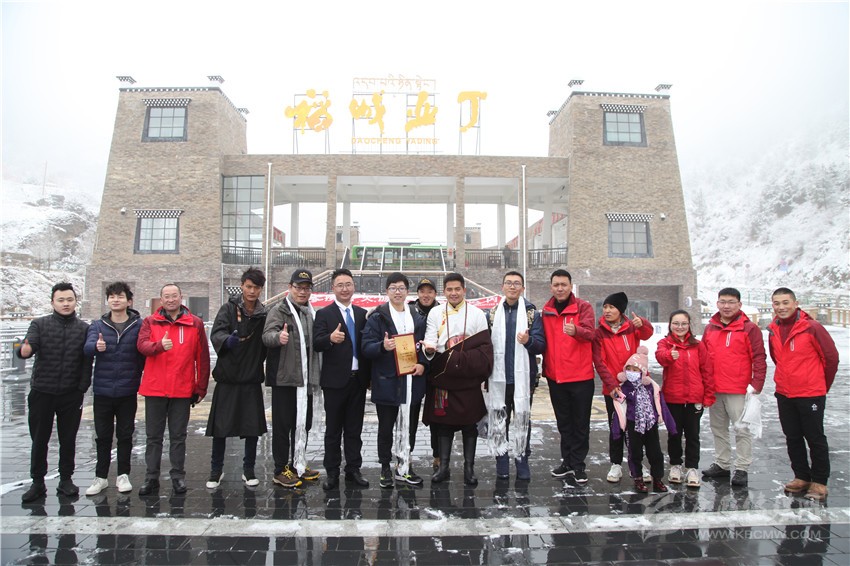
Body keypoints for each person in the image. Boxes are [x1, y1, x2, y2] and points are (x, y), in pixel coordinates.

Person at [17, 282, 93, 502]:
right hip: (42, 391)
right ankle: (37, 482)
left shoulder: (84, 328)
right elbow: (28, 347)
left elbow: (87, 362)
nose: (65, 304)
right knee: (39, 439)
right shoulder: (39, 324)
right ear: (52, 302)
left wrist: (82, 387)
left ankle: (66, 480)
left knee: (68, 439)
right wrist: (24, 351)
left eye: (69, 299)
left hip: (71, 393)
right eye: (61, 300)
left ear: (75, 302)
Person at [137, 283, 211, 495]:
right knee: (153, 437)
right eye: (166, 296)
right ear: (161, 300)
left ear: (181, 297)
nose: (170, 300)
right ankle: (151, 477)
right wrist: (159, 346)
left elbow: (202, 357)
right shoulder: (150, 322)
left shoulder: (194, 323)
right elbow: (141, 346)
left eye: (174, 296)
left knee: (178, 436)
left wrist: (201, 387)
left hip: (182, 389)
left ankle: (178, 476)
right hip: (155, 388)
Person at [768, 287, 839, 501]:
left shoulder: (812, 327)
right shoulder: (773, 329)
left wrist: (820, 385)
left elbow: (831, 358)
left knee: (815, 437)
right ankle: (801, 475)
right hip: (785, 393)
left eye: (785, 302)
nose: (781, 307)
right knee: (792, 437)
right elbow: (777, 358)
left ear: (795, 303)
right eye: (777, 303)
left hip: (810, 393)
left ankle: (820, 481)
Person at [423, 272, 493, 486]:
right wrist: (429, 350)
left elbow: (484, 347)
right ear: (444, 292)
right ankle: (443, 467)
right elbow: (430, 339)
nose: (453, 293)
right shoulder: (435, 313)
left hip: (468, 377)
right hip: (443, 375)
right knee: (443, 424)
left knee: (470, 424)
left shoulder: (477, 314)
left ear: (464, 290)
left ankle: (469, 468)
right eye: (449, 289)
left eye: (457, 289)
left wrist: (462, 360)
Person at [362, 272, 428, 488]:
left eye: (401, 288)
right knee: (386, 429)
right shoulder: (377, 317)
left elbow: (424, 346)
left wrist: (423, 364)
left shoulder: (417, 317)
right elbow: (366, 347)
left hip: (411, 382)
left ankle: (404, 465)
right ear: (387, 291)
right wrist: (382, 346)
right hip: (387, 382)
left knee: (409, 427)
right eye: (393, 288)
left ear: (407, 291)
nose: (397, 292)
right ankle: (384, 467)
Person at [205, 268, 268, 489]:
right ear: (242, 285)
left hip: (251, 377)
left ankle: (248, 469)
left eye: (256, 287)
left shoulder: (264, 314)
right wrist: (226, 340)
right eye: (248, 286)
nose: (252, 291)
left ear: (261, 289)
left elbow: (268, 340)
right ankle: (216, 470)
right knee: (220, 428)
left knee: (252, 428)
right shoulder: (228, 308)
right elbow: (216, 333)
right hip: (228, 378)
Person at [83, 282, 145, 496]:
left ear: (129, 301)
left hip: (128, 389)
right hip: (103, 390)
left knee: (126, 434)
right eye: (111, 297)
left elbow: (144, 352)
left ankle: (123, 475)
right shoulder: (98, 325)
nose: (115, 300)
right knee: (102, 435)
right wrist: (96, 346)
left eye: (120, 296)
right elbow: (87, 347)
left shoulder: (139, 325)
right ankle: (100, 477)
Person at [263, 269, 323, 489]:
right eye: (298, 287)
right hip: (286, 378)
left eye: (306, 288)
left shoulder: (310, 312)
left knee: (303, 424)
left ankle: (298, 463)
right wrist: (278, 337)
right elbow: (266, 335)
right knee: (283, 425)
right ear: (290, 287)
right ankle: (280, 470)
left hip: (306, 380)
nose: (302, 292)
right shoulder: (279, 311)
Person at [701, 287, 766, 487]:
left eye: (731, 302)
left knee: (741, 429)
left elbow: (759, 357)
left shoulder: (749, 328)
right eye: (722, 302)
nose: (726, 306)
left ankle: (742, 467)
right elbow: (703, 357)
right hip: (715, 388)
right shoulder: (710, 328)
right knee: (718, 428)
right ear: (717, 303)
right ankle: (722, 464)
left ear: (739, 304)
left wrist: (757, 383)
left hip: (738, 389)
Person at [313, 268, 371, 490]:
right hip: (335, 382)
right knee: (333, 430)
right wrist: (330, 338)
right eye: (340, 285)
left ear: (353, 286)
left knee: (354, 429)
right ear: (333, 288)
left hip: (358, 380)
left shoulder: (362, 314)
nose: (345, 289)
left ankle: (353, 469)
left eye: (348, 284)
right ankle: (332, 472)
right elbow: (317, 343)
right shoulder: (324, 314)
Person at [485, 271, 545, 481]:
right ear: (502, 287)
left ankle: (522, 460)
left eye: (516, 283)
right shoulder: (492, 314)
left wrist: (528, 341)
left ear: (522, 288)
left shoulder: (532, 315)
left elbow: (540, 345)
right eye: (508, 283)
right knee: (499, 420)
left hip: (523, 380)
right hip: (498, 379)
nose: (512, 287)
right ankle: (501, 460)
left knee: (522, 418)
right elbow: (484, 346)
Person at [591, 292, 653, 483]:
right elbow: (599, 362)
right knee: (616, 427)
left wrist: (642, 323)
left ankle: (638, 463)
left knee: (637, 427)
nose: (607, 310)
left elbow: (647, 333)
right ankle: (616, 464)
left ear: (621, 310)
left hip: (635, 387)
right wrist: (611, 385)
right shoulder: (599, 333)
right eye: (605, 307)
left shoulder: (631, 327)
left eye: (612, 307)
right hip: (613, 389)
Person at [540, 269, 595, 484]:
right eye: (556, 285)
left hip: (580, 376)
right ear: (551, 287)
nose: (560, 288)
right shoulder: (546, 310)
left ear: (571, 286)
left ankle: (578, 465)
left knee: (580, 423)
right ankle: (567, 462)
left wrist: (577, 331)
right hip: (556, 377)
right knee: (564, 423)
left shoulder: (583, 307)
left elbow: (591, 334)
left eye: (564, 284)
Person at [655, 310, 714, 488]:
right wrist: (669, 356)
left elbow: (707, 371)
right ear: (670, 325)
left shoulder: (698, 345)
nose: (679, 327)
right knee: (674, 434)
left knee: (693, 435)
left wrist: (708, 395)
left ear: (689, 325)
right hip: (673, 398)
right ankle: (675, 465)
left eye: (683, 323)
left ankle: (692, 468)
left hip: (695, 398)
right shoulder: (665, 343)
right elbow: (660, 357)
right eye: (676, 323)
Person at [610, 346, 677, 493]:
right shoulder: (622, 389)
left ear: (643, 371)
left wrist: (671, 426)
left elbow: (662, 405)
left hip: (650, 424)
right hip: (633, 425)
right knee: (635, 453)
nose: (631, 372)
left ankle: (658, 478)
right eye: (629, 369)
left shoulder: (652, 387)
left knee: (656, 453)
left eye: (635, 370)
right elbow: (618, 410)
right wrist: (616, 431)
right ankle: (638, 478)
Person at [412, 277, 442, 473]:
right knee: (410, 415)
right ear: (417, 294)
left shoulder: (442, 312)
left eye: (430, 291)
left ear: (435, 294)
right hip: (415, 371)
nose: (426, 295)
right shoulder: (409, 311)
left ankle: (438, 455)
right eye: (422, 291)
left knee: (437, 415)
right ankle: (406, 453)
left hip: (437, 372)